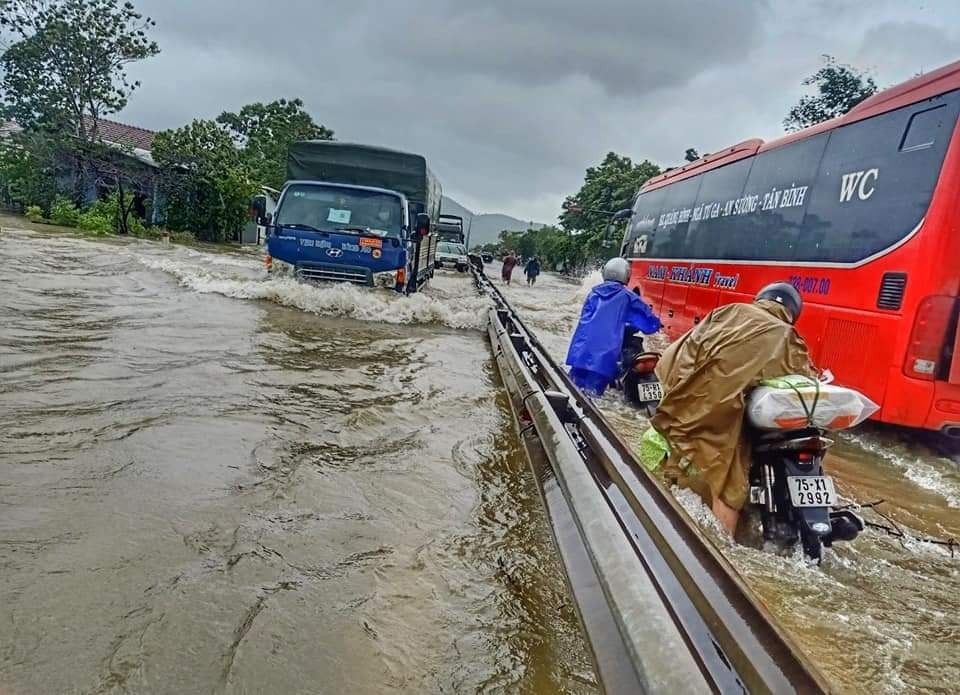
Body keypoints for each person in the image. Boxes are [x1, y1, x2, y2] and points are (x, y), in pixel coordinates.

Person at [650, 282, 818, 535]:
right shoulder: (789, 335)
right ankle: (723, 548)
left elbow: (689, 347)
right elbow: (803, 377)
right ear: (794, 311)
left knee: (689, 453)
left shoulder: (729, 311)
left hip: (696, 399)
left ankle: (709, 538)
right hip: (729, 411)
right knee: (729, 479)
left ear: (762, 298)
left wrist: (679, 388)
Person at [565, 257, 661, 397]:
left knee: (572, 389)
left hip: (581, 353)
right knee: (593, 398)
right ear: (626, 275)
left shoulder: (593, 294)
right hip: (603, 358)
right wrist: (657, 324)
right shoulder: (628, 297)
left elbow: (586, 319)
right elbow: (648, 323)